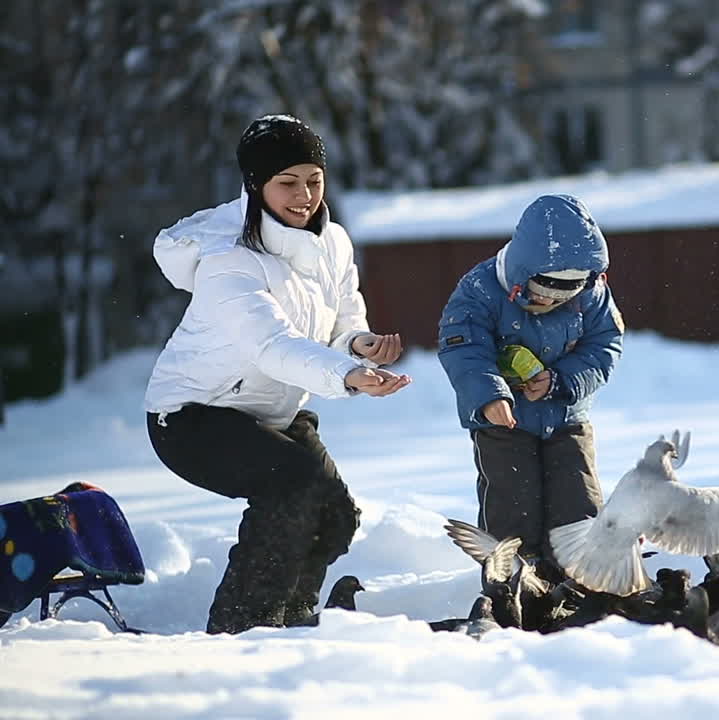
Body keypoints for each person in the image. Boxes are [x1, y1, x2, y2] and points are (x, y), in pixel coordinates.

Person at [143, 114, 411, 634]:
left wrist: (359, 345)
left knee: (334, 515)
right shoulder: (229, 262)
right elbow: (273, 346)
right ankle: (244, 627)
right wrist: (348, 377)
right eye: (287, 182)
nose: (304, 195)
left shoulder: (332, 243)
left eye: (314, 179)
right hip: (192, 416)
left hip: (270, 410)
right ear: (255, 186)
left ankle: (292, 618)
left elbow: (340, 319)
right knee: (291, 487)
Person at [437, 194, 624, 581]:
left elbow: (605, 344)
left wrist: (562, 380)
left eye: (567, 295)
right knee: (514, 503)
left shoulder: (592, 294)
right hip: (503, 421)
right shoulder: (480, 289)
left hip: (567, 416)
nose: (554, 302)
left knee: (578, 501)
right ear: (523, 275)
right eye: (545, 294)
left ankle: (579, 580)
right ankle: (515, 583)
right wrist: (489, 395)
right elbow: (463, 344)